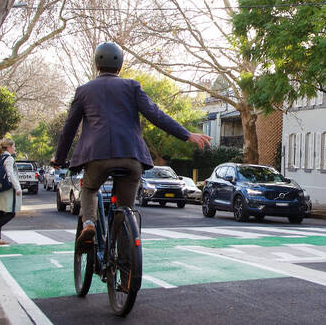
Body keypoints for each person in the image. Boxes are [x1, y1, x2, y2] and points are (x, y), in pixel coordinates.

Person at [53, 42, 210, 247]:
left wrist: (60, 158)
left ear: (97, 65)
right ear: (120, 66)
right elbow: (156, 115)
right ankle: (122, 242)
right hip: (132, 157)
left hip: (97, 157)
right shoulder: (132, 87)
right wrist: (186, 134)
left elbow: (69, 128)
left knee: (90, 190)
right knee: (125, 207)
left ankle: (89, 223)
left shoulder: (84, 91)